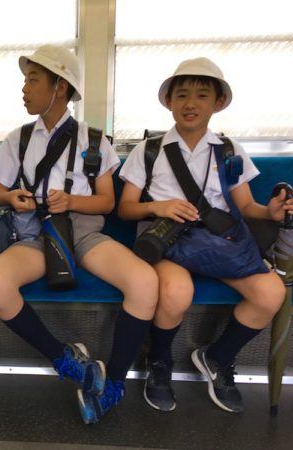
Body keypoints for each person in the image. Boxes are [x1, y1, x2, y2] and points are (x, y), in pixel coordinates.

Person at [0, 45, 159, 424]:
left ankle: (111, 383)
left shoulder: (94, 142)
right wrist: (12, 196)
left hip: (84, 236)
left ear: (59, 87)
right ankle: (66, 361)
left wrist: (73, 201)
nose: (24, 89)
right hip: (35, 236)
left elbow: (107, 203)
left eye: (32, 80)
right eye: (25, 81)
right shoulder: (18, 139)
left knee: (145, 283)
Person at [118, 57, 290, 413]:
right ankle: (160, 363)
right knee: (177, 292)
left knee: (271, 294)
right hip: (170, 244)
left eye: (201, 95)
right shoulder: (149, 150)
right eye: (181, 95)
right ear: (169, 102)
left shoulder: (229, 150)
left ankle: (217, 357)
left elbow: (244, 206)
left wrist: (269, 212)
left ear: (218, 103)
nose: (190, 103)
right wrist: (158, 207)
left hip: (219, 243)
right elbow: (125, 209)